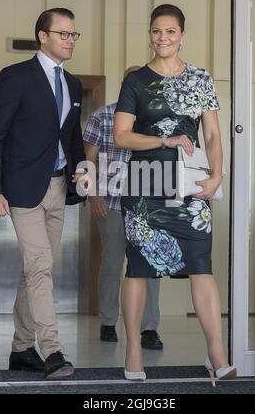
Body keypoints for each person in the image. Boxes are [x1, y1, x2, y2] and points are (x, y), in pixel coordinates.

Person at [114, 4, 237, 384]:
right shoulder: (135, 81)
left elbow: (214, 135)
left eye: (170, 31)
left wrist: (217, 176)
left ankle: (217, 354)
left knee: (201, 265)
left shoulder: (201, 79)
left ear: (182, 35)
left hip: (189, 186)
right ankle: (134, 348)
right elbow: (122, 135)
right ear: (149, 35)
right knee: (138, 268)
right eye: (156, 31)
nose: (162, 38)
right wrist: (164, 138)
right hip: (144, 183)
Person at [0, 7, 89, 379]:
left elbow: (71, 136)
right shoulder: (16, 77)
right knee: (40, 266)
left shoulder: (73, 85)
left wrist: (81, 170)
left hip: (59, 185)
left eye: (73, 34)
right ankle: (53, 350)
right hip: (22, 189)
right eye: (63, 34)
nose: (70, 40)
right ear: (43, 36)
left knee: (36, 271)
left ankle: (21, 349)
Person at [83, 67, 163, 350]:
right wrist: (93, 196)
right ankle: (108, 322)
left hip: (147, 205)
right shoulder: (103, 116)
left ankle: (149, 329)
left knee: (149, 266)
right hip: (112, 202)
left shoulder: (156, 120)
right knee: (113, 263)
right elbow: (86, 160)